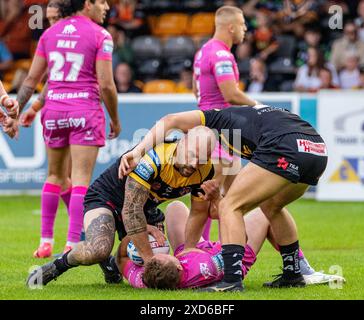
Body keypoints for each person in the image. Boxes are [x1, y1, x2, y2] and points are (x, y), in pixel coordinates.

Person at [118, 104, 329, 291]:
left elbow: (170, 120)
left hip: (285, 147)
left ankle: (231, 280)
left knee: (230, 206)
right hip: (316, 150)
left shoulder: (217, 119)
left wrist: (137, 152)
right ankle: (293, 273)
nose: (195, 165)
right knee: (272, 206)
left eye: (201, 157)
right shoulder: (247, 118)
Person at [26, 127, 217, 287]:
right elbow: (130, 211)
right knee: (99, 249)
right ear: (182, 144)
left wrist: (190, 248)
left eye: (201, 159)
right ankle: (57, 266)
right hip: (107, 198)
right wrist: (149, 257)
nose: (194, 164)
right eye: (192, 155)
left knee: (155, 257)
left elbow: (199, 211)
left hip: (145, 208)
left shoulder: (206, 171)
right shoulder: (153, 159)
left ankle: (111, 264)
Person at [14, 0, 121, 257]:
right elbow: (106, 84)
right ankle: (73, 242)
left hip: (54, 112)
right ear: (86, 4)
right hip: (84, 110)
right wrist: (115, 118)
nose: (106, 6)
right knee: (82, 180)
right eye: (101, 1)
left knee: (55, 177)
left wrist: (15, 110)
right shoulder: (100, 35)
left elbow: (31, 80)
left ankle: (45, 241)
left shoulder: (50, 34)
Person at [118, 198, 345, 289]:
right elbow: (236, 243)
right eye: (166, 255)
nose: (165, 252)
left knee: (176, 207)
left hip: (197, 250)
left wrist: (137, 238)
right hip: (230, 258)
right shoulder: (204, 267)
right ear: (178, 265)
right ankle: (300, 266)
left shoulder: (145, 280)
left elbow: (121, 258)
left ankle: (205, 216)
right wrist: (219, 212)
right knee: (267, 210)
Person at [192, 6, 258, 239]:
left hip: (219, 132)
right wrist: (259, 107)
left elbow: (196, 91)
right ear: (231, 27)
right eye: (242, 25)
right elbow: (231, 94)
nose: (245, 29)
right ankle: (203, 250)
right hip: (219, 134)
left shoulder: (203, 52)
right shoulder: (221, 55)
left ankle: (222, 251)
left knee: (228, 200)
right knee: (210, 200)